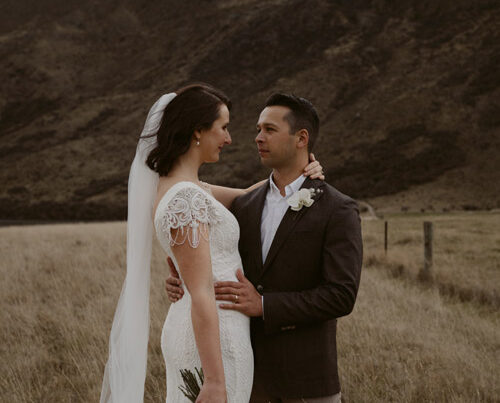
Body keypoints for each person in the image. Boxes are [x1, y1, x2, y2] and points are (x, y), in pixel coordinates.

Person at [100, 84, 324, 403]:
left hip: (208, 333)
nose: (229, 138)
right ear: (197, 132)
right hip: (216, 342)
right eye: (223, 128)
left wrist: (303, 171)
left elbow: (249, 197)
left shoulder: (183, 188)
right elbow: (202, 292)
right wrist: (216, 381)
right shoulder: (186, 198)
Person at [166, 93, 363, 402]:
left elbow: (341, 296)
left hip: (307, 382)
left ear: (301, 138)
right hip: (247, 379)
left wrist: (265, 305)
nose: (257, 138)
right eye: (258, 129)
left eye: (269, 130)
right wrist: (183, 281)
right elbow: (215, 255)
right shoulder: (244, 205)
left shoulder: (337, 209)